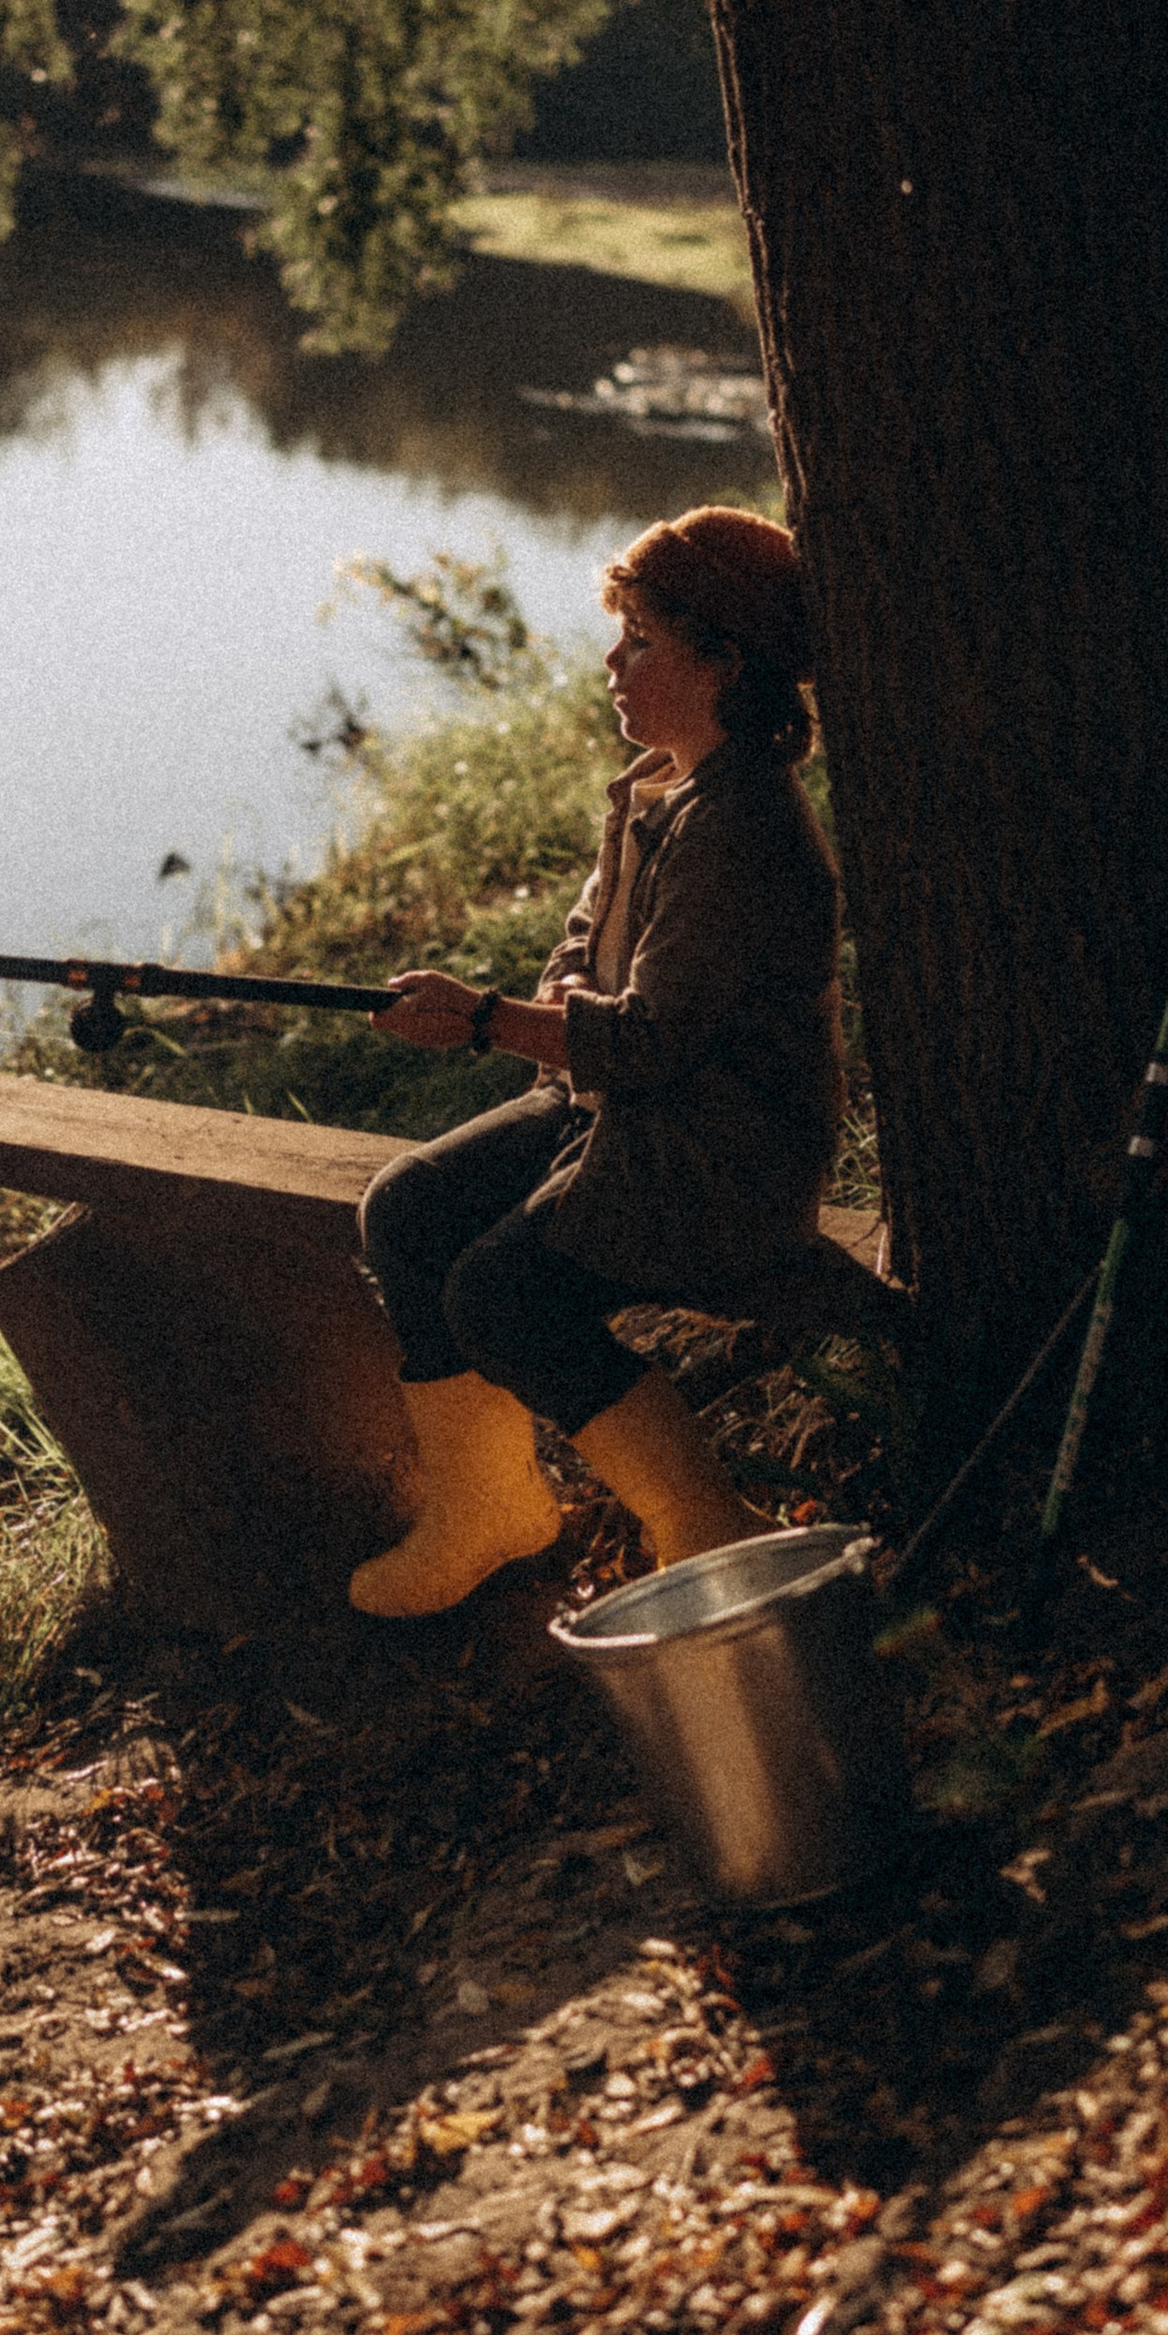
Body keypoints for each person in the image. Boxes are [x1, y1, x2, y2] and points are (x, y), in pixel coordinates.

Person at [351, 505, 842, 1617]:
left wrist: (488, 1020)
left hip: (719, 1150)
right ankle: (487, 1510)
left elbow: (656, 1040)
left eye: (641, 643)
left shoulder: (743, 826)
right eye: (618, 638)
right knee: (408, 1206)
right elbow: (585, 955)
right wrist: (548, 1003)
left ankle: (704, 1524)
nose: (612, 665)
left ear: (724, 660)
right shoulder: (660, 794)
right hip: (616, 1106)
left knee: (502, 1295)